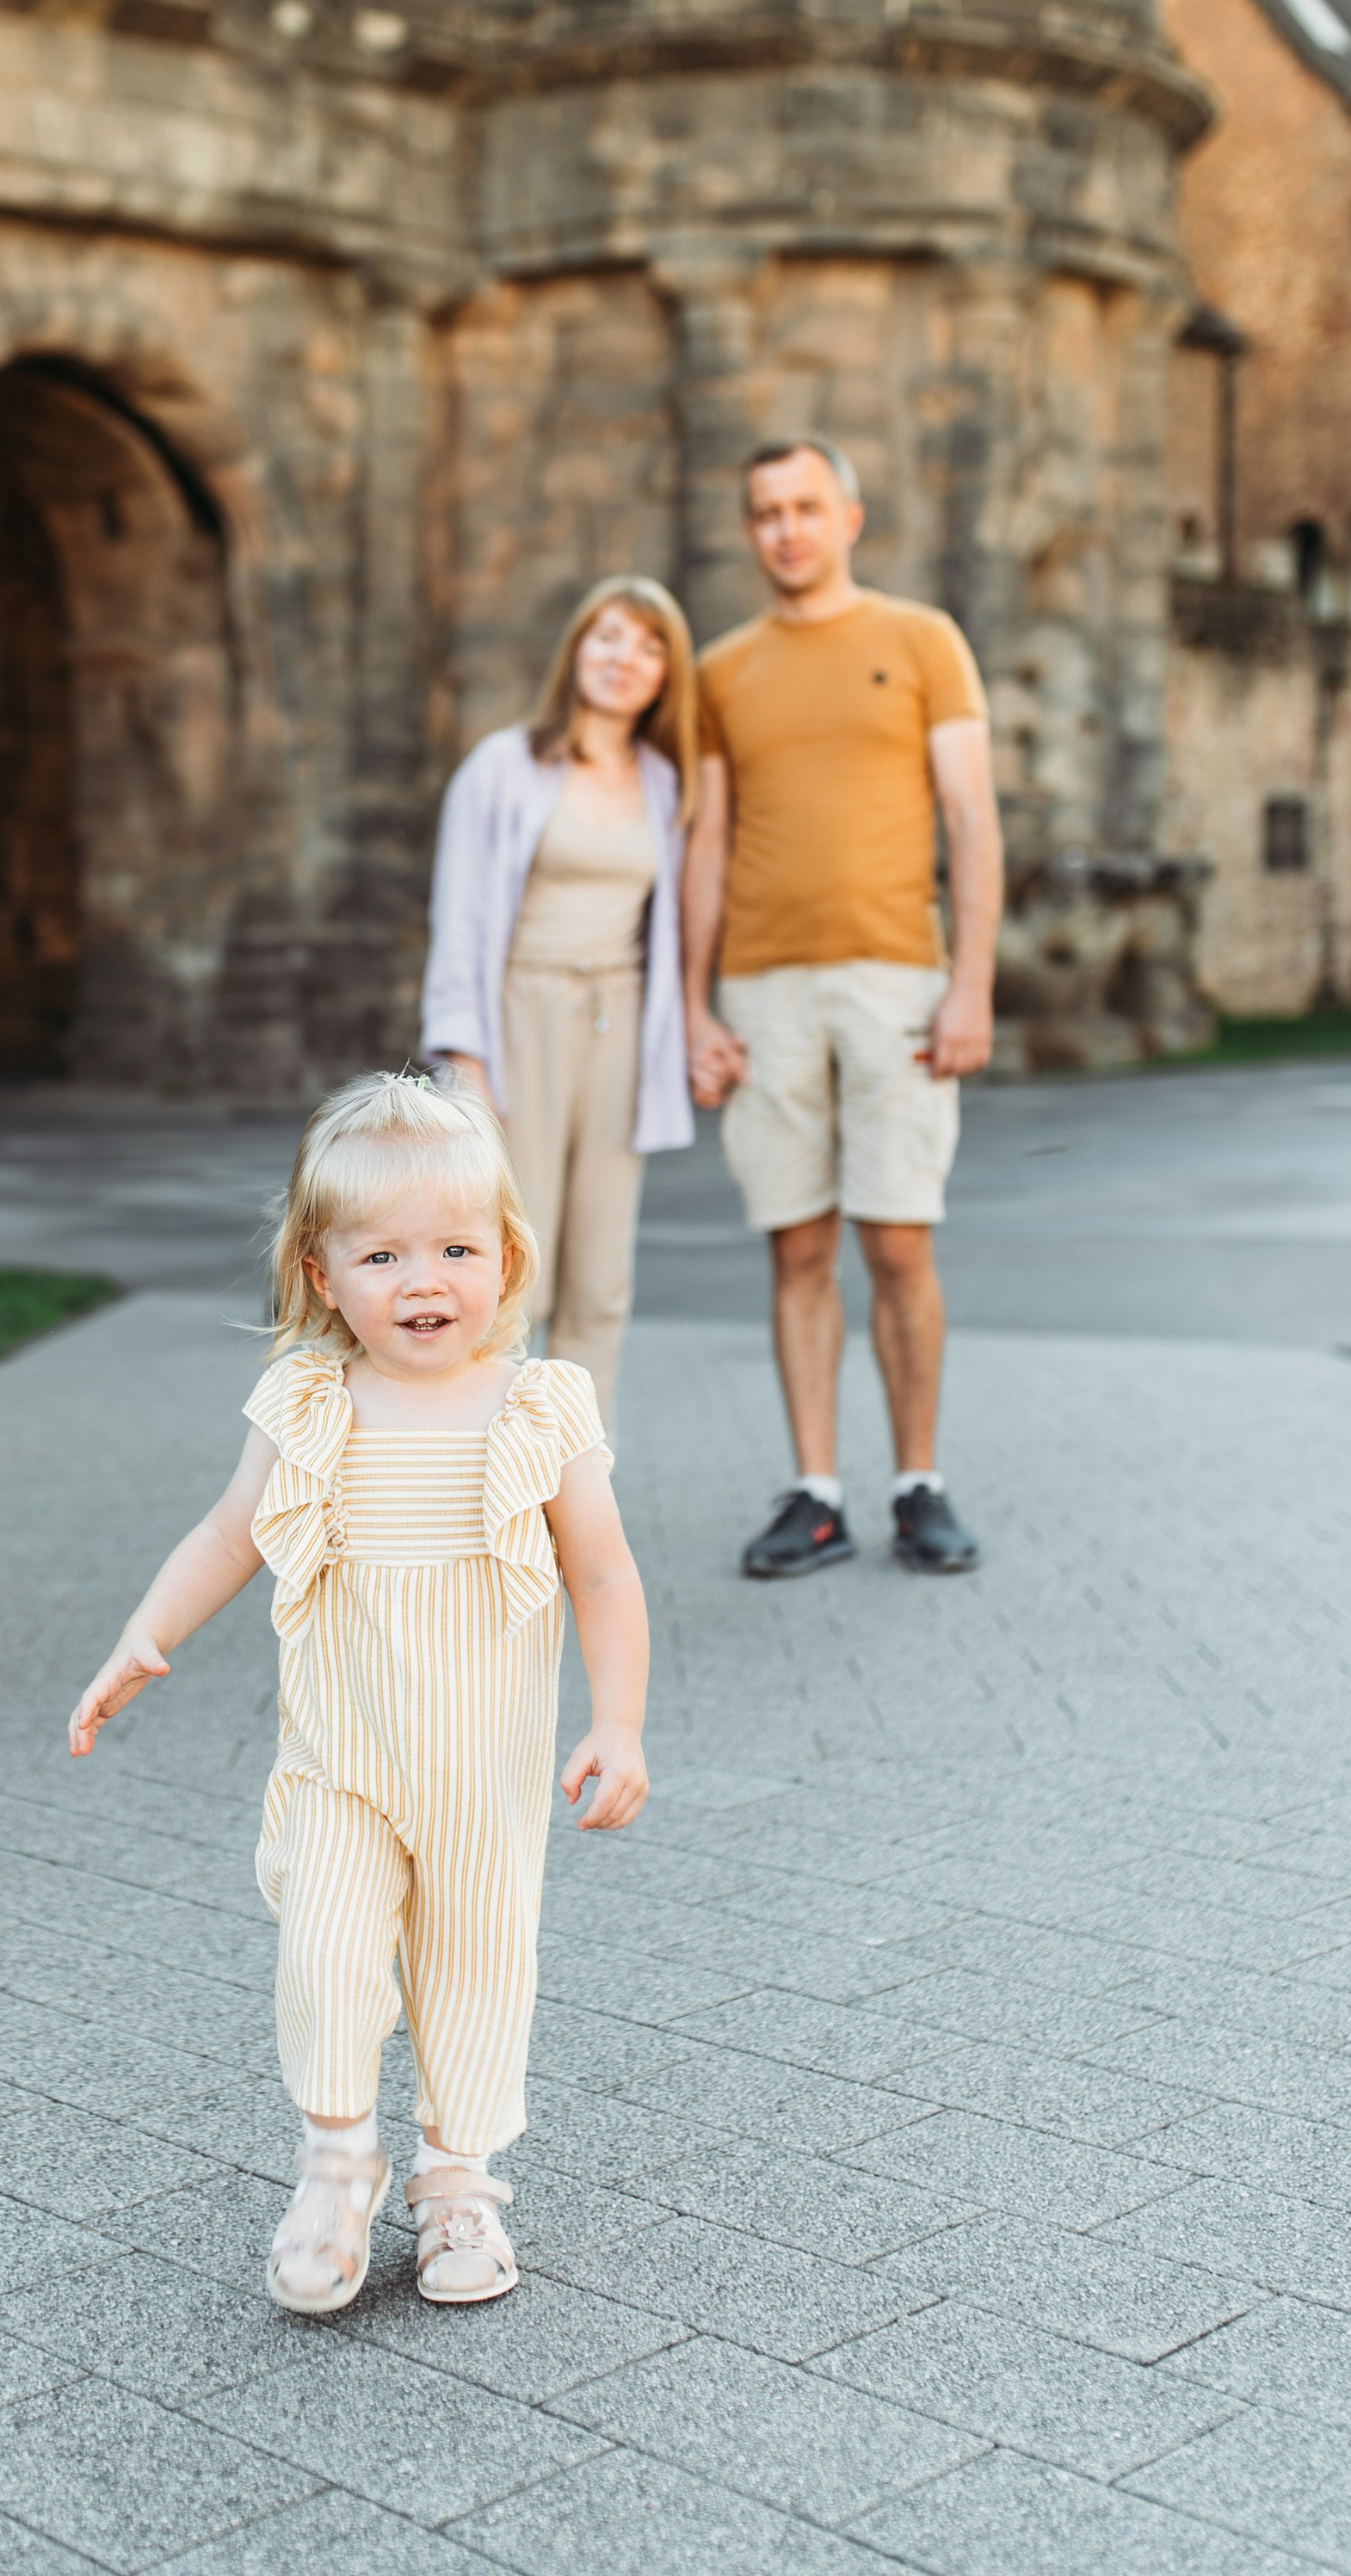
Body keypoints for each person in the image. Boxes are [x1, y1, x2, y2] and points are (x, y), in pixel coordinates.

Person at [66, 1071, 651, 2316]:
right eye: (381, 1253)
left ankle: (455, 2183)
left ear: (505, 1254)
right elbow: (231, 1530)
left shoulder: (540, 1405)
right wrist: (141, 1632)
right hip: (340, 1755)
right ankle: (336, 2165)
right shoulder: (307, 1401)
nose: (422, 1278)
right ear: (323, 1275)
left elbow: (603, 1570)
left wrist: (618, 1719)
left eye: (453, 1246)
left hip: (484, 1775)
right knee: (327, 1951)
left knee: (475, 1965)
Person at [683, 438, 1003, 1579]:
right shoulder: (720, 669)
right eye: (765, 510)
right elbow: (706, 837)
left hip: (895, 979)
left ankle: (918, 1480)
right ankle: (815, 1493)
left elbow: (970, 817)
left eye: (806, 506)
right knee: (798, 1245)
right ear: (750, 528)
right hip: (761, 986)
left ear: (850, 515)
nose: (787, 528)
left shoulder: (922, 640)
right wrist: (691, 1004)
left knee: (899, 1240)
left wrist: (970, 980)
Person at [421, 576, 697, 1423]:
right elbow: (458, 916)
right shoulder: (503, 766)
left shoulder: (665, 781)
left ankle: (578, 1490)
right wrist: (464, 1065)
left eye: (649, 646)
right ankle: (477, 1477)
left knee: (601, 1275)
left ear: (665, 675)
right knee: (509, 1266)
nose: (625, 659)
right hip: (518, 1021)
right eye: (608, 636)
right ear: (576, 648)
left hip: (620, 1023)